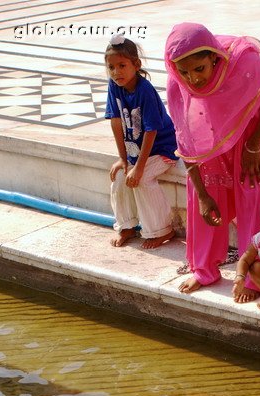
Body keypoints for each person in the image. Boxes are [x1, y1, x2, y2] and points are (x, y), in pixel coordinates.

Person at [164, 22, 260, 295]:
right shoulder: (176, 83)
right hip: (211, 143)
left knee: (253, 200)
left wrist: (253, 147)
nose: (193, 79)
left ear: (214, 58)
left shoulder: (244, 64)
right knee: (205, 204)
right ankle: (203, 270)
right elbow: (186, 141)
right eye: (184, 72)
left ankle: (255, 277)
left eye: (199, 69)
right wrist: (202, 195)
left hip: (252, 138)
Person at [105, 35, 178, 249]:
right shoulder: (114, 85)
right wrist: (123, 159)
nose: (116, 72)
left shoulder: (145, 90)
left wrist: (139, 167)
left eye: (122, 65)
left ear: (136, 65)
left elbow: (151, 130)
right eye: (111, 67)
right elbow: (116, 121)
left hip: (163, 149)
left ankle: (162, 230)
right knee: (119, 176)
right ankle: (127, 226)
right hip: (134, 152)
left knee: (142, 178)